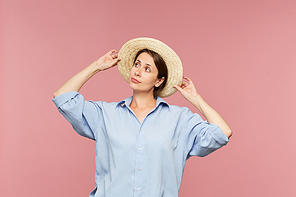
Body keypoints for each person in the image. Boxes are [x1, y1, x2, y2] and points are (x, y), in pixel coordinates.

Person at [52, 37, 232, 197]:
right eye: (137, 64)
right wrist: (96, 67)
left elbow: (223, 132)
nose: (137, 72)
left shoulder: (179, 119)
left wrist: (195, 99)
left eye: (147, 69)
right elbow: (63, 97)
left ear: (159, 80)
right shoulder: (105, 114)